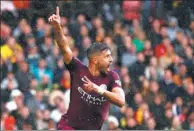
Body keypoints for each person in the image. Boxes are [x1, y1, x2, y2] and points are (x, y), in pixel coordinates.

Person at [48, 7, 125, 130]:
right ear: (95, 60)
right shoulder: (77, 68)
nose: (111, 60)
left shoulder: (112, 77)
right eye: (107, 57)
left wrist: (99, 90)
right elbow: (64, 46)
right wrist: (58, 28)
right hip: (69, 127)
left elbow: (121, 101)